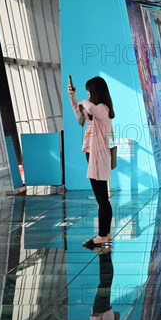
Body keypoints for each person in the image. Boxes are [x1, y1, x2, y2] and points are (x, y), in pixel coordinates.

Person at [68, 76, 115, 248]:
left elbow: (89, 107)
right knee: (101, 198)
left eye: (89, 91)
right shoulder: (92, 111)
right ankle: (105, 232)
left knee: (102, 199)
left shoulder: (102, 109)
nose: (87, 94)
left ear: (95, 92)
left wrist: (83, 100)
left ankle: (102, 235)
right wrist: (73, 98)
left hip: (99, 156)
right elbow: (79, 114)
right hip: (92, 155)